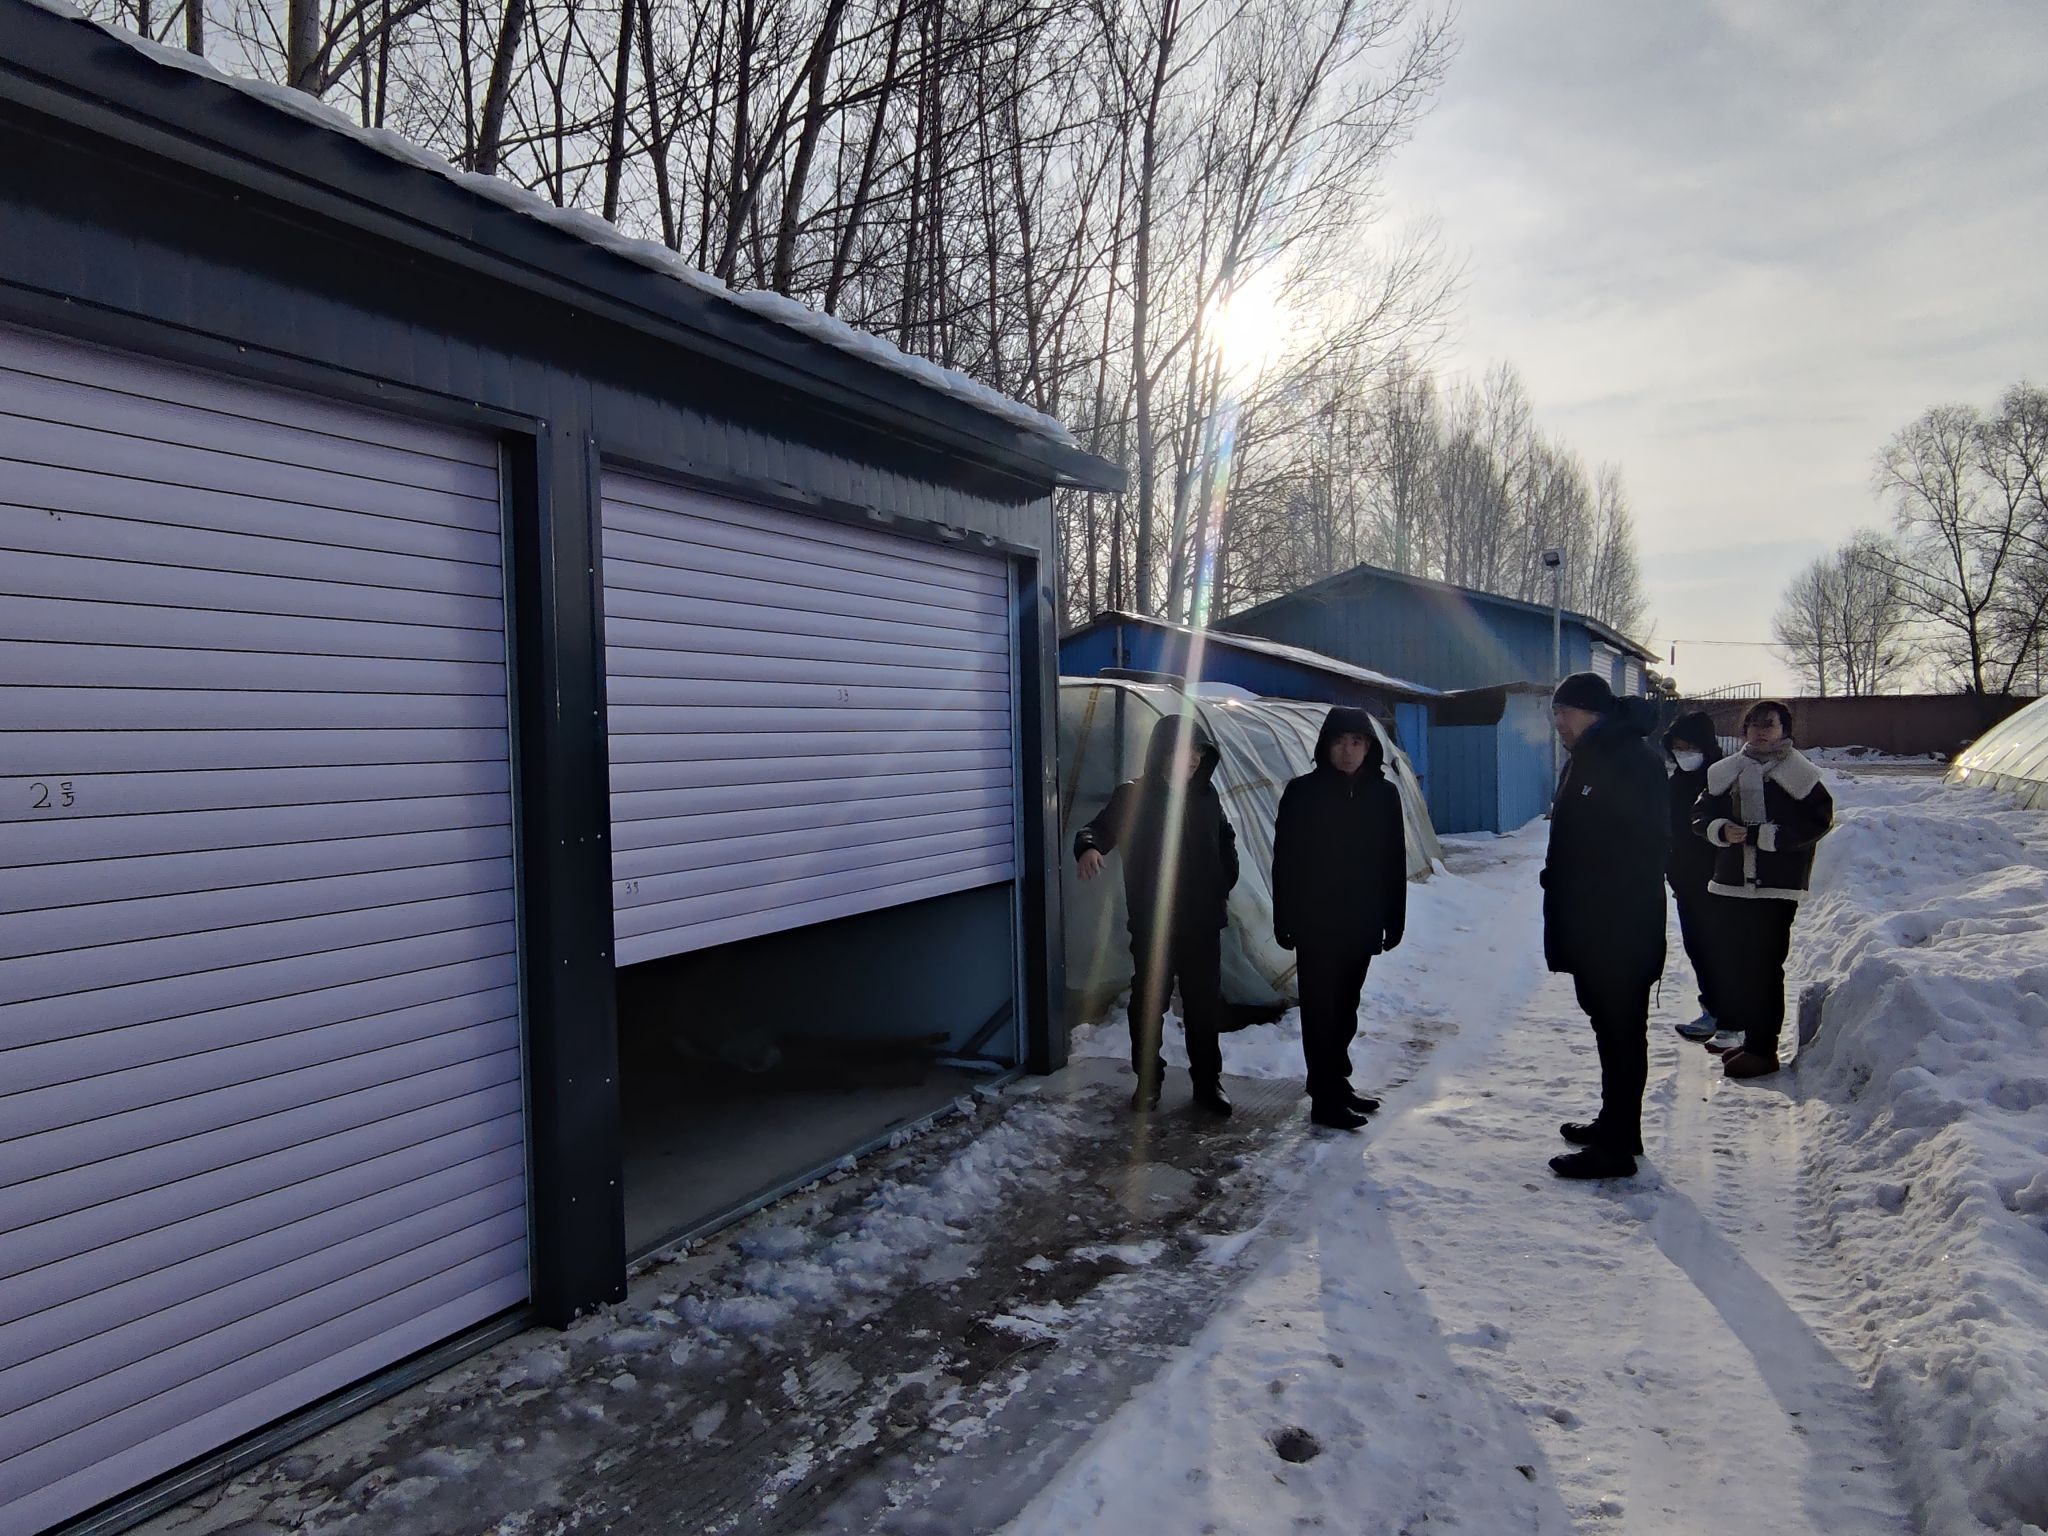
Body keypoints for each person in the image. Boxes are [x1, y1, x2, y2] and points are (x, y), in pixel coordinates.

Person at [1075, 713, 1240, 1116]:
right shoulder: (1134, 795)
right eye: (1183, 751)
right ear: (1163, 753)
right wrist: (1089, 847)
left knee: (1203, 1006)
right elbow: (1100, 828)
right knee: (1149, 1005)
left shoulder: (1207, 795)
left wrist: (1224, 879)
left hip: (1202, 924)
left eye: (1197, 751)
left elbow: (1225, 839)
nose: (1192, 759)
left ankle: (1208, 1082)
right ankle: (1148, 1081)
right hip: (1154, 924)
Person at [1541, 671, 1668, 1180]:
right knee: (1609, 1027)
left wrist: (1582, 880)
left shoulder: (1632, 760)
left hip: (1619, 926)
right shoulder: (1588, 757)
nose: (1558, 723)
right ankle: (1619, 1126)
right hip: (1594, 923)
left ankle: (1616, 1148)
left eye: (1564, 712)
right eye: (1555, 713)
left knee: (1621, 1031)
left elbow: (1644, 846)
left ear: (1591, 712)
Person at [1271, 707, 1408, 1131]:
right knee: (1320, 1011)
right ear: (1325, 746)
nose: (1347, 751)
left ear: (1369, 747)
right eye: (1338, 741)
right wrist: (1284, 917)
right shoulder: (1302, 793)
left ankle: (1337, 1082)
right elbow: (1285, 861)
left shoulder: (1384, 795)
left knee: (1346, 1006)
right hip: (1316, 922)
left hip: (1362, 919)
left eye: (1356, 742)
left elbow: (1393, 860)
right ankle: (1324, 1098)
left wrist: (1394, 918)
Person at [1691, 699, 1834, 1079]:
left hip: (1776, 887)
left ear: (1785, 730)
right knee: (1737, 964)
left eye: (1768, 724)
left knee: (1765, 967)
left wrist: (1768, 837)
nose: (1760, 732)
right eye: (1753, 725)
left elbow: (1819, 821)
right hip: (1732, 884)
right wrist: (1720, 829)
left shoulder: (1800, 775)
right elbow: (1699, 814)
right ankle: (1750, 1040)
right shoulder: (1727, 771)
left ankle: (1763, 1049)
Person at [1663, 712, 1728, 1043]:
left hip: (1721, 883)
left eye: (1690, 747)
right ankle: (1713, 1011)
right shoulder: (1674, 784)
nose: (1683, 754)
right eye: (1678, 747)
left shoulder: (1722, 781)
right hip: (1685, 882)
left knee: (1723, 950)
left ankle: (1732, 1016)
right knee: (1698, 948)